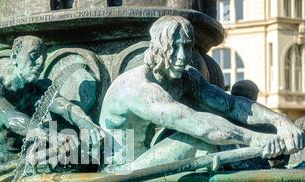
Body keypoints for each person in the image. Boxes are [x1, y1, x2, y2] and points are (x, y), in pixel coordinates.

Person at [100, 16, 304, 172]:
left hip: (149, 159)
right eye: (173, 48)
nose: (181, 57)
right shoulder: (137, 87)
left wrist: (281, 123)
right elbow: (198, 125)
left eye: (187, 47)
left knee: (218, 126)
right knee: (201, 141)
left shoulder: (187, 77)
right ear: (156, 49)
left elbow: (231, 105)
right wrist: (256, 140)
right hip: (122, 171)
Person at [0, 35, 104, 169]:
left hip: (29, 162)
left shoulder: (38, 88)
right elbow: (10, 117)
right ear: (14, 57)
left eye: (44, 58)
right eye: (34, 55)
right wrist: (53, 136)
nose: (40, 62)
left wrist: (85, 122)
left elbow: (65, 106)